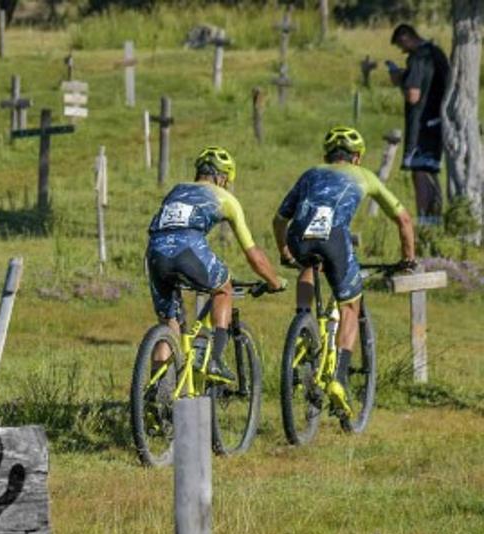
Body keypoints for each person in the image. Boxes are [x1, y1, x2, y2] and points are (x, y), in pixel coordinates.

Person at [273, 126, 416, 409]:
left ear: (327, 155)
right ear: (357, 158)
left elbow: (279, 220)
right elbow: (404, 220)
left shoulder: (311, 173)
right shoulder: (365, 177)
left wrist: (284, 252)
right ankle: (339, 376)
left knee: (309, 263)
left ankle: (302, 322)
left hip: (299, 237)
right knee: (351, 304)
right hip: (335, 238)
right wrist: (408, 259)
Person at [145, 146, 282, 381]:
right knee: (223, 288)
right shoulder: (225, 198)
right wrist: (274, 280)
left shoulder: (176, 190)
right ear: (222, 177)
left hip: (155, 252)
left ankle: (155, 397)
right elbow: (253, 254)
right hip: (188, 248)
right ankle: (216, 360)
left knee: (170, 325)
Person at [387, 23, 449, 227]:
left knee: (419, 171)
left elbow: (413, 95)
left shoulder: (417, 58)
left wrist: (399, 79)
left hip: (421, 124)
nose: (403, 51)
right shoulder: (437, 53)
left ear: (406, 37)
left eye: (401, 46)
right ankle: (436, 220)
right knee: (432, 170)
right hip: (439, 121)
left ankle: (424, 222)